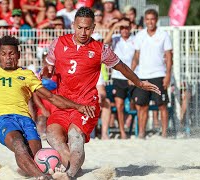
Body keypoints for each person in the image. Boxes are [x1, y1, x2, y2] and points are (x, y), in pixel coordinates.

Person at [0, 36, 96, 179]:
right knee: (19, 144)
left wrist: (78, 106)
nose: (8, 57)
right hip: (2, 119)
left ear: (18, 55)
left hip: (25, 120)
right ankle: (42, 177)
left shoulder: (26, 74)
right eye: (3, 54)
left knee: (36, 157)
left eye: (11, 53)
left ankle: (40, 172)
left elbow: (51, 97)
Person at [42, 7, 160, 179]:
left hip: (86, 103)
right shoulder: (58, 43)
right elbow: (48, 68)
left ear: (94, 27)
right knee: (52, 136)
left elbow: (122, 67)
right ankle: (74, 168)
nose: (83, 32)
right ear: (73, 25)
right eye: (80, 27)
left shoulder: (100, 49)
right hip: (63, 103)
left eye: (88, 28)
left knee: (75, 136)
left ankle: (69, 174)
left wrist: (139, 82)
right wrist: (46, 74)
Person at [131, 9, 173, 138]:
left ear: (157, 20)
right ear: (144, 20)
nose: (150, 22)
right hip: (143, 76)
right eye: (147, 19)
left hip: (159, 74)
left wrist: (168, 76)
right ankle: (142, 134)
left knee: (162, 105)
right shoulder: (140, 35)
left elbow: (169, 57)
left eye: (152, 19)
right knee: (142, 106)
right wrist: (131, 74)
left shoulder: (163, 35)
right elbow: (136, 57)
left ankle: (165, 134)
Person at [103, 18, 135, 139]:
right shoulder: (116, 39)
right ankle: (122, 131)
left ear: (131, 28)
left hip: (133, 76)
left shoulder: (135, 40)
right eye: (122, 28)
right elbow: (105, 43)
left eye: (126, 27)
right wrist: (115, 25)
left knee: (135, 103)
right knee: (119, 104)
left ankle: (132, 126)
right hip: (118, 77)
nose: (124, 30)